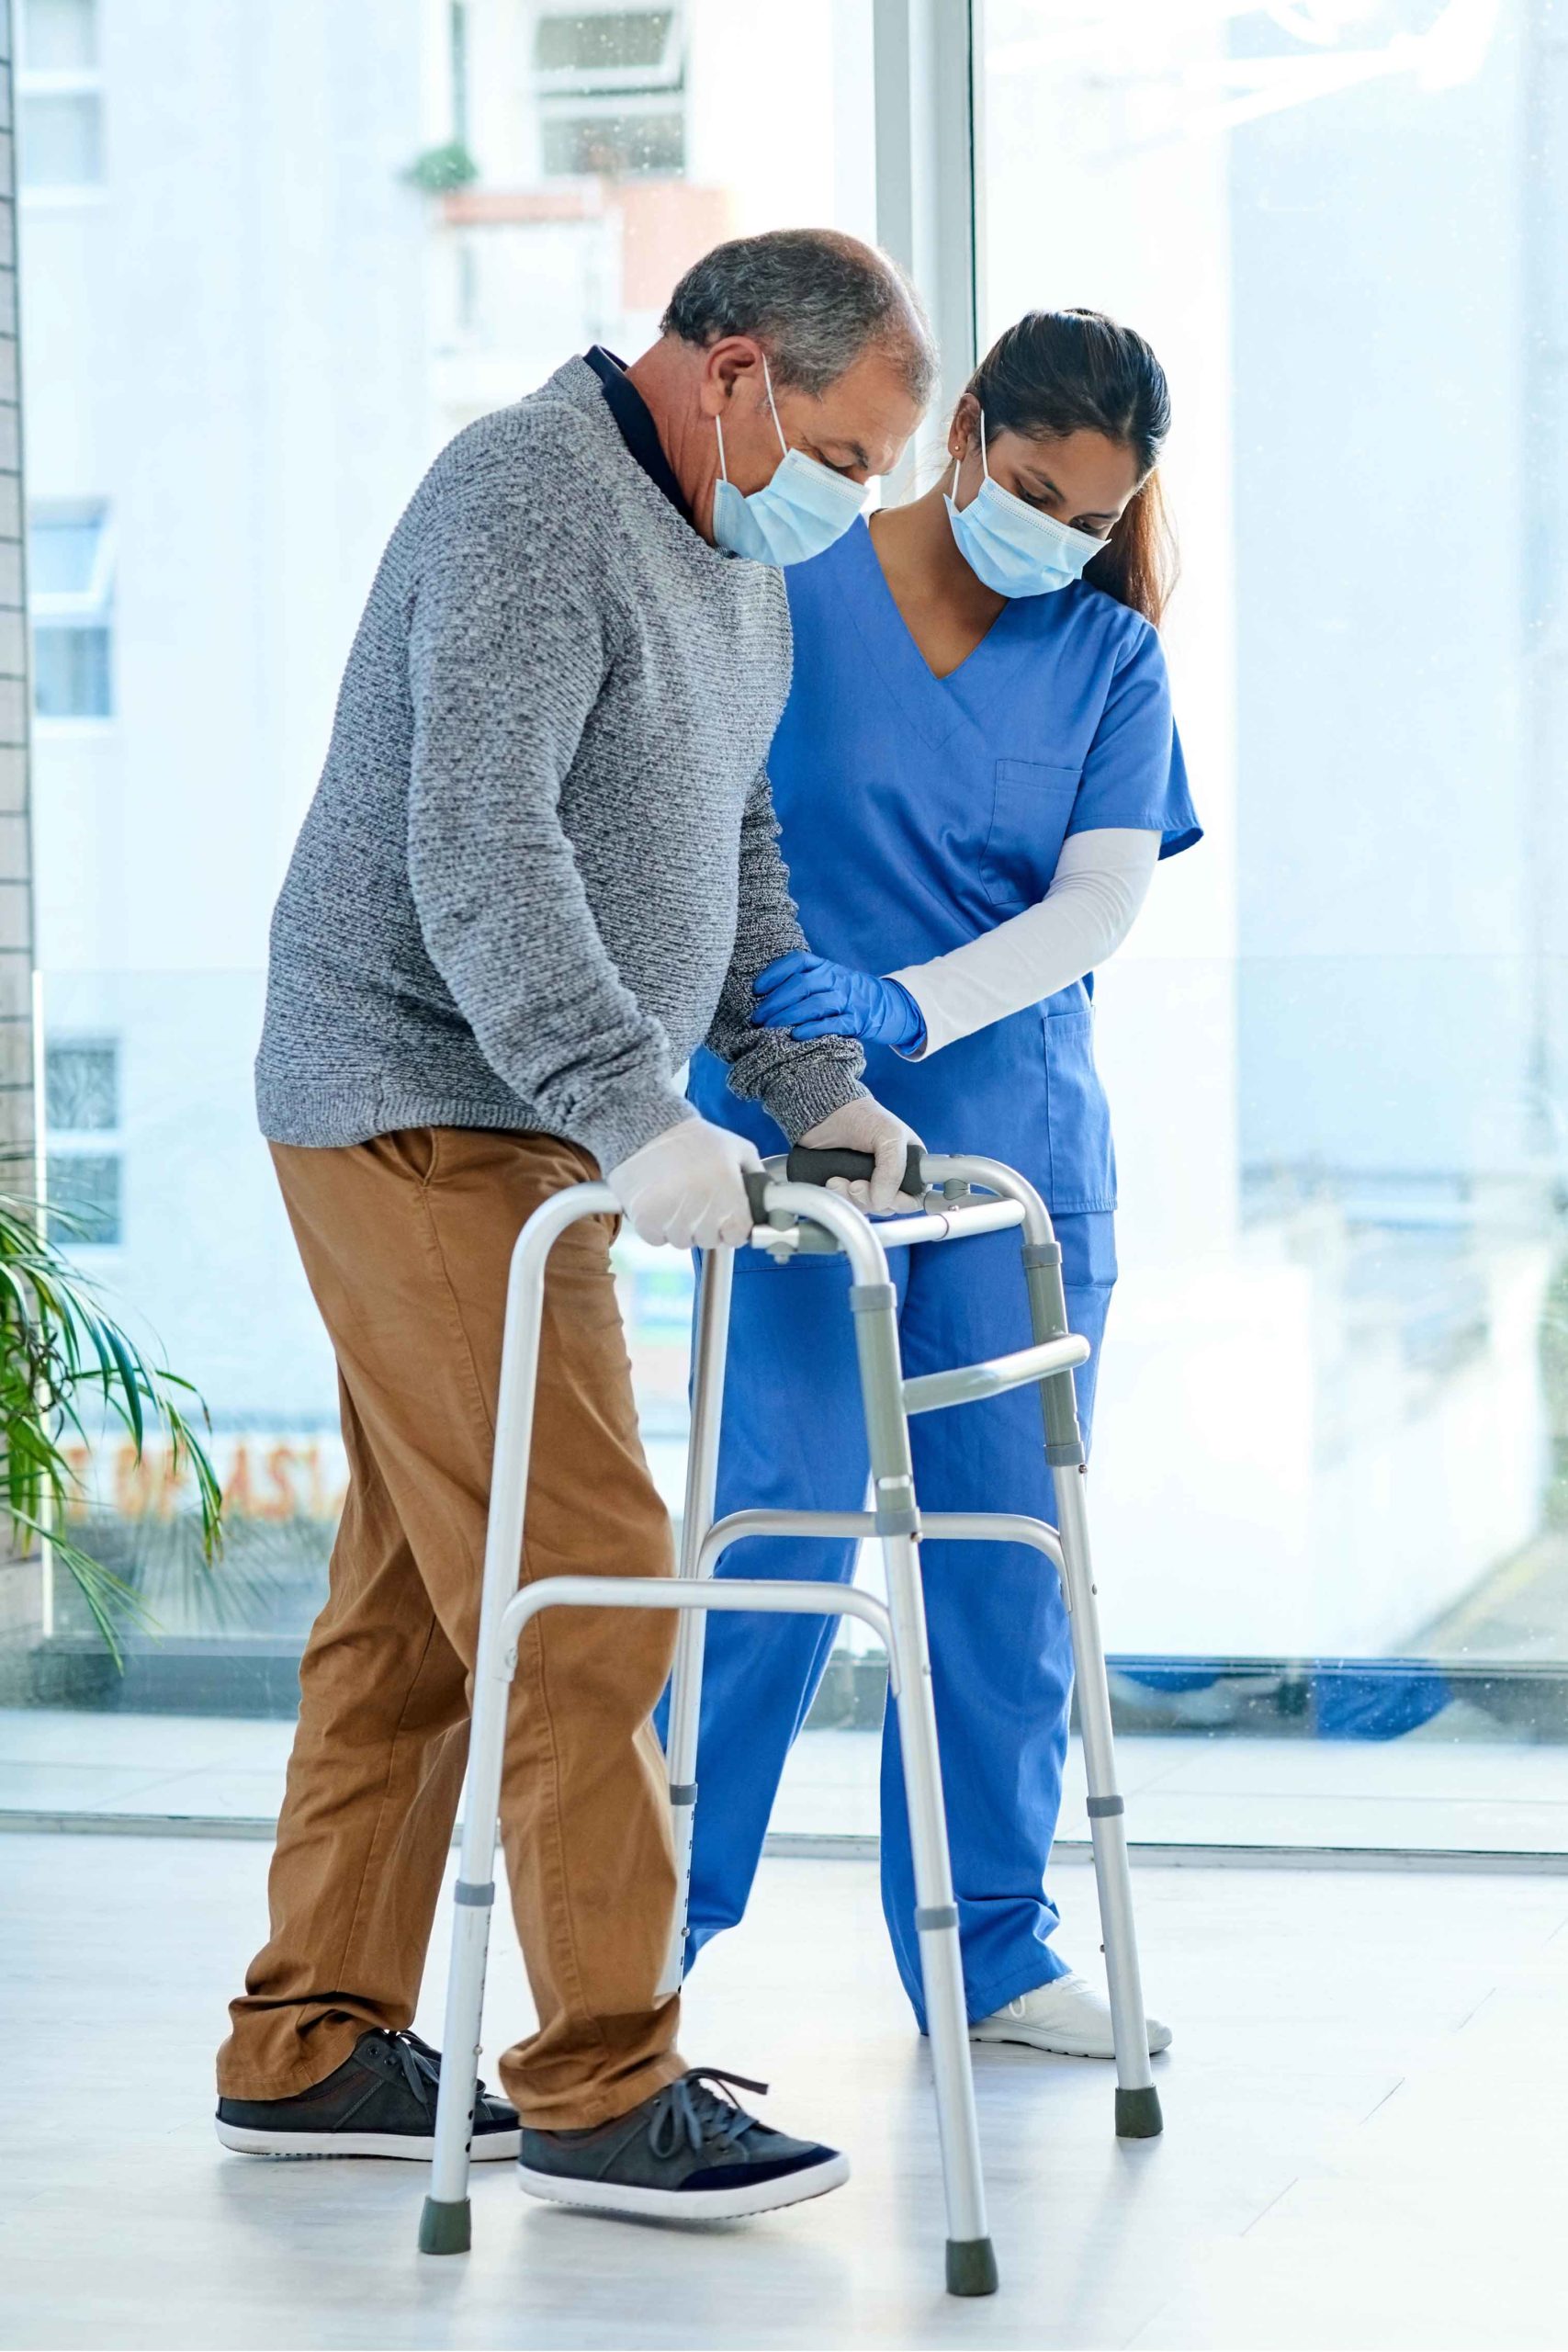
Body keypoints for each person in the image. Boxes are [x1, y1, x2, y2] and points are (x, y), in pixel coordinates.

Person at [214, 230, 935, 2223]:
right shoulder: (527, 497)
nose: (850, 500)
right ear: (732, 377)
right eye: (848, 454)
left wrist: (809, 1087)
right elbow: (479, 850)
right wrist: (632, 1109)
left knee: (420, 1609)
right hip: (417, 1102)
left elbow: (735, 847)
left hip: (530, 1118)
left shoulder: (732, 559)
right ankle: (604, 2079)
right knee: (589, 1569)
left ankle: (309, 2036)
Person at [678, 308, 1201, 2057]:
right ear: (965, 430)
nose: (1057, 536)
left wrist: (911, 999)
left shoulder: (1111, 661)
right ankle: (643, 1941)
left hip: (1013, 1153)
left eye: (1095, 513)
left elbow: (1098, 903)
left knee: (1002, 1557)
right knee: (781, 1524)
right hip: (795, 1142)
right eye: (1039, 489)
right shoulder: (790, 582)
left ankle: (991, 1952)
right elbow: (682, 822)